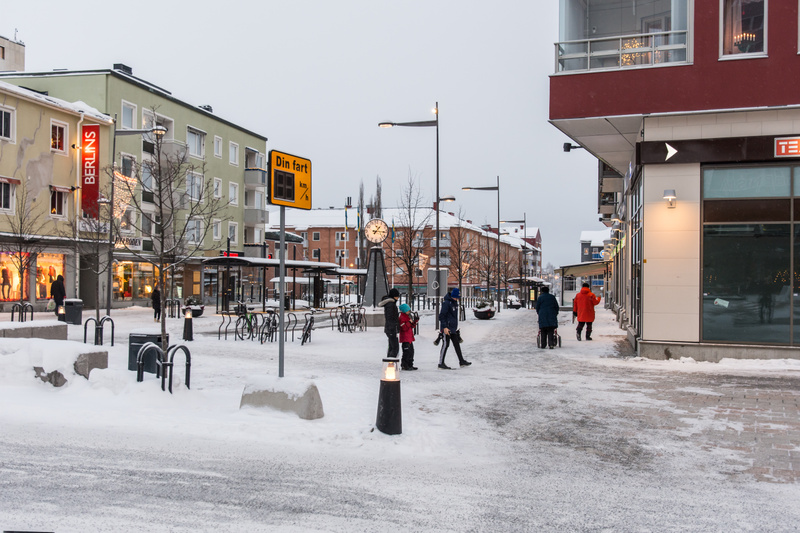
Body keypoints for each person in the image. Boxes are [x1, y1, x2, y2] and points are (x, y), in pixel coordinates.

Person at [438, 288, 471, 369]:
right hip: (447, 328)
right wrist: (444, 327)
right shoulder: (446, 303)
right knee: (446, 344)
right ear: (452, 296)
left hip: (452, 328)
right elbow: (442, 316)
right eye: (456, 297)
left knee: (456, 344)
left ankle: (461, 361)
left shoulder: (454, 303)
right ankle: (441, 363)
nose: (457, 299)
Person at [378, 287, 400, 359]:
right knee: (394, 347)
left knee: (392, 346)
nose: (398, 298)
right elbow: (391, 317)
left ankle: (390, 362)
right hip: (391, 328)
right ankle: (390, 363)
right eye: (397, 296)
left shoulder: (390, 304)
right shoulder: (391, 305)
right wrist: (394, 326)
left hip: (390, 328)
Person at [398, 303, 418, 370]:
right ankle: (405, 365)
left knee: (411, 351)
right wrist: (409, 322)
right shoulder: (402, 317)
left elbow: (412, 326)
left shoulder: (407, 316)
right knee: (406, 352)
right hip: (405, 338)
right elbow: (403, 328)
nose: (409, 312)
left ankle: (410, 364)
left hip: (409, 337)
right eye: (408, 310)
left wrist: (414, 321)